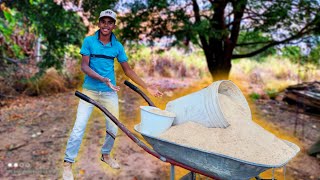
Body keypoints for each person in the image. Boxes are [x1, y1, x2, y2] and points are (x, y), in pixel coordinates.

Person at [62, 9, 163, 180]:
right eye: (103, 21)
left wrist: (147, 87)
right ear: (99, 23)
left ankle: (106, 154)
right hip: (90, 91)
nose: (106, 25)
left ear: (114, 25)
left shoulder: (117, 46)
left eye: (110, 22)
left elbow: (128, 70)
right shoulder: (89, 41)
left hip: (109, 92)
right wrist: (102, 78)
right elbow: (84, 67)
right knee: (79, 127)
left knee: (112, 127)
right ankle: (67, 163)